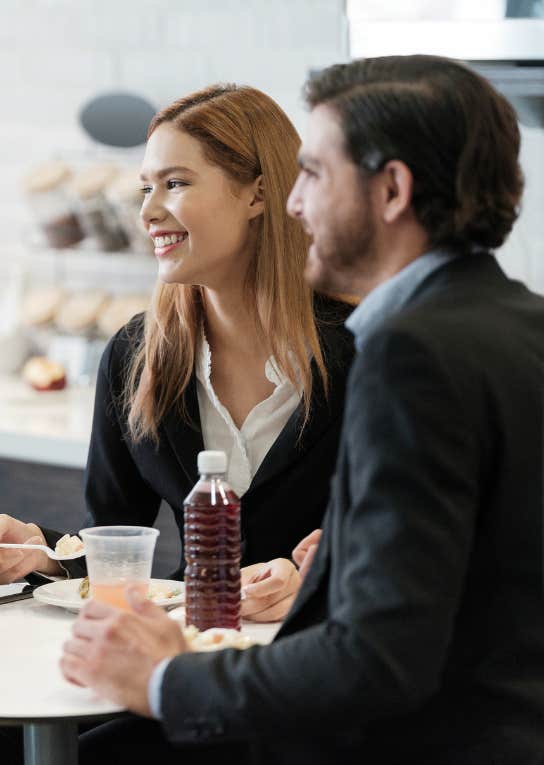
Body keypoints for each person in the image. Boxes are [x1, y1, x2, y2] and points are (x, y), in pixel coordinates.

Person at [61, 55, 544, 764]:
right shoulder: (520, 323)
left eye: (313, 174)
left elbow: (376, 658)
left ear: (391, 190)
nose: (294, 203)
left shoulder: (409, 352)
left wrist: (168, 679)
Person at [0, 82, 350, 765]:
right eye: (144, 188)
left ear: (257, 193)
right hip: (174, 665)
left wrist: (312, 572)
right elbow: (108, 547)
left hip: (301, 688)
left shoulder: (361, 354)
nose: (149, 211)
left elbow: (401, 557)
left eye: (176, 183)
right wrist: (42, 554)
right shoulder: (139, 356)